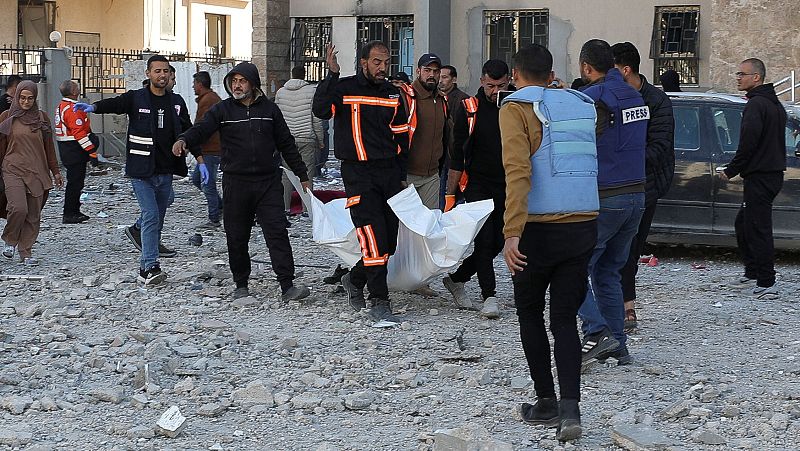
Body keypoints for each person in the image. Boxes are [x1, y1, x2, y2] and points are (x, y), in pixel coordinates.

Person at [501, 44, 599, 442]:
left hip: (539, 229)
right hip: (584, 223)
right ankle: (571, 409)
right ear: (551, 73)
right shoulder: (580, 104)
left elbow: (518, 172)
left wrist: (511, 232)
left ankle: (546, 402)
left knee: (529, 311)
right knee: (564, 319)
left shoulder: (517, 108)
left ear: (515, 75)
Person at [175, 62, 311, 302]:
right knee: (236, 236)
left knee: (277, 233)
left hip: (268, 183)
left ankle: (287, 285)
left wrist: (303, 176)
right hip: (236, 183)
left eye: (242, 81)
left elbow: (286, 143)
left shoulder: (270, 110)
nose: (237, 86)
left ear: (253, 84)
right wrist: (184, 139)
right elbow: (202, 128)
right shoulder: (223, 110)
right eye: (234, 81)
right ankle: (241, 284)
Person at [73, 55, 204, 285]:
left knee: (156, 219)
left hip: (166, 171)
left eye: (165, 71)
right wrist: (93, 107)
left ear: (170, 74)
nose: (162, 75)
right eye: (157, 71)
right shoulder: (137, 98)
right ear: (148, 74)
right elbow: (116, 104)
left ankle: (143, 250)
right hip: (141, 171)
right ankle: (149, 267)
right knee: (151, 215)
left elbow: (188, 130)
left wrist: (200, 160)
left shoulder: (176, 102)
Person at [312, 41, 409, 322]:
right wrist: (331, 75)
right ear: (363, 62)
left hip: (389, 174)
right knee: (372, 237)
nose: (382, 67)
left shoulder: (392, 93)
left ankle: (354, 279)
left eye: (386, 62)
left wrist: (402, 176)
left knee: (389, 242)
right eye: (377, 62)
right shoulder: (344, 88)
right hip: (358, 174)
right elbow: (320, 110)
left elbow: (402, 136)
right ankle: (379, 300)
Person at [575, 40, 647, 365]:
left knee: (573, 268)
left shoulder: (592, 98)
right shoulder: (635, 95)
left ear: (586, 67)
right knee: (608, 271)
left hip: (607, 195)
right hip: (636, 196)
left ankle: (596, 331)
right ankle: (618, 345)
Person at [611, 42, 675, 330]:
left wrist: (621, 157)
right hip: (613, 184)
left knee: (631, 247)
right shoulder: (610, 97)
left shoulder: (656, 101)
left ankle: (627, 306)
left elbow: (659, 148)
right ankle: (614, 304)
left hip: (643, 186)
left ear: (626, 70)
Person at [442, 59, 511, 318]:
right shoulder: (469, 108)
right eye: (491, 86)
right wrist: (450, 194)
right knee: (484, 240)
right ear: (482, 81)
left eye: (501, 86)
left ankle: (457, 278)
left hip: (508, 184)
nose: (495, 91)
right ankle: (489, 296)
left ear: (509, 81)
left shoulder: (515, 105)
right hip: (477, 184)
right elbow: (457, 154)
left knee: (499, 242)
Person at [719, 58, 786, 298]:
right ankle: (753, 271)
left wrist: (730, 170)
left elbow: (748, 143)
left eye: (742, 74)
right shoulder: (772, 103)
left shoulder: (757, 105)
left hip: (761, 176)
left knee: (758, 228)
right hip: (769, 174)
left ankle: (766, 282)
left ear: (756, 77)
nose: (738, 78)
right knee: (744, 223)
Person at [0, 81, 63, 265]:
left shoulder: (42, 118)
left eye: (30, 98)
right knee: (18, 208)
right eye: (22, 98)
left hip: (37, 171)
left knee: (33, 215)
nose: (26, 102)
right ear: (17, 97)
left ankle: (26, 252)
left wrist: (56, 171)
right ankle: (10, 240)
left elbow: (49, 147)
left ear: (35, 98)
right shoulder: (7, 117)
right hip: (12, 168)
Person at [400, 53, 448, 209]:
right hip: (407, 175)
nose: (431, 75)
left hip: (432, 175)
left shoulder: (442, 100)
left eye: (436, 71)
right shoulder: (406, 96)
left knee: (430, 221)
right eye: (427, 70)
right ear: (418, 71)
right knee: (405, 221)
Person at [275, 65, 323, 214]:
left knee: (287, 174)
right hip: (306, 137)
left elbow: (277, 117)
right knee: (307, 174)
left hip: (287, 139)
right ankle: (306, 208)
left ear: (292, 74)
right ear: (304, 74)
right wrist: (320, 139)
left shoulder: (280, 92)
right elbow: (316, 118)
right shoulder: (312, 91)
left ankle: (285, 207)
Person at [54, 80, 100, 224]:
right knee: (75, 183)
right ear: (74, 92)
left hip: (68, 149)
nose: (79, 89)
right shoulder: (73, 109)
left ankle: (74, 211)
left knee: (75, 182)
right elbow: (79, 133)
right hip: (74, 150)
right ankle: (70, 213)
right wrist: (91, 152)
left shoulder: (62, 106)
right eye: (77, 87)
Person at [190, 71, 223, 229]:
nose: (193, 87)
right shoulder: (210, 98)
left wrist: (190, 140)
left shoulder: (208, 100)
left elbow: (201, 126)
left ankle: (214, 218)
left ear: (200, 84)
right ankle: (220, 206)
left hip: (211, 149)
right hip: (207, 149)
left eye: (194, 84)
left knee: (207, 184)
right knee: (197, 179)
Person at [438, 65, 469, 209]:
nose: (440, 80)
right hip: (438, 158)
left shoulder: (462, 100)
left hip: (453, 158)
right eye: (439, 77)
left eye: (445, 77)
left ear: (454, 79)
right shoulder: (436, 98)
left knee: (451, 200)